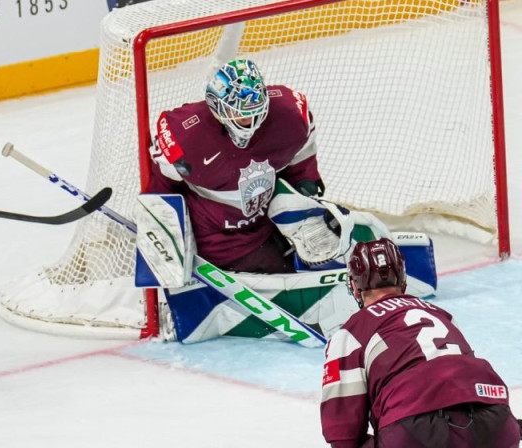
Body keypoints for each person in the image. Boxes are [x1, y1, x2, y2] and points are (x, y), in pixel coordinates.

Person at [321, 238, 521, 447]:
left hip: (415, 427)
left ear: (354, 286)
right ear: (402, 280)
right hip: (497, 419)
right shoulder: (443, 315)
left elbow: (342, 433)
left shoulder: (351, 332)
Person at [147, 57, 324, 274]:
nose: (249, 121)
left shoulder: (290, 115)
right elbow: (162, 187)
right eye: (239, 113)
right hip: (218, 240)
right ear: (217, 107)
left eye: (254, 111)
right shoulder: (186, 139)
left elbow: (303, 150)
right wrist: (158, 231)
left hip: (272, 224)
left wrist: (305, 182)